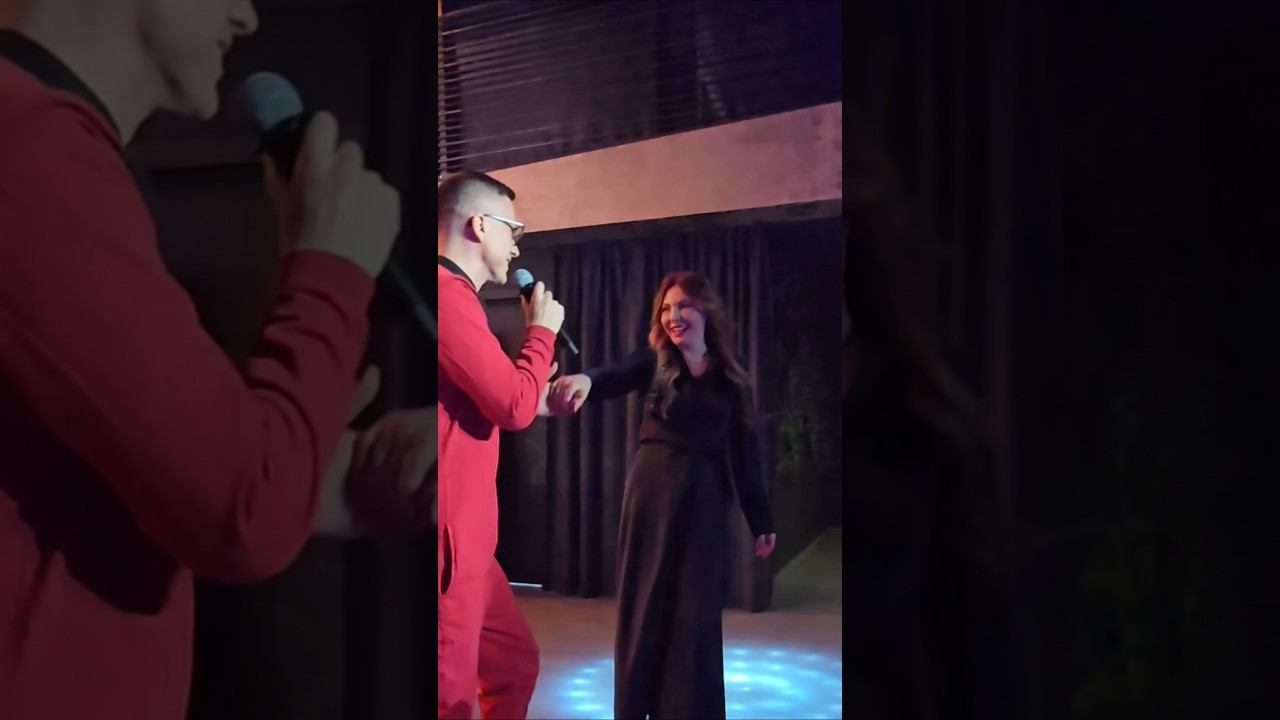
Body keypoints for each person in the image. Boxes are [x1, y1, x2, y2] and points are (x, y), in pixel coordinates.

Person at [0, 1, 402, 717]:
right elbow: (241, 515)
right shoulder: (27, 144)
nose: (247, 17)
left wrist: (354, 475)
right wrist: (330, 269)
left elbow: (148, 483)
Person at [548, 270, 777, 720]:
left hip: (704, 500)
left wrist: (761, 520)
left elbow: (744, 454)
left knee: (696, 611)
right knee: (646, 602)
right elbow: (614, 376)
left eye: (684, 305)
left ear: (706, 310)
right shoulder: (653, 362)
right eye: (667, 309)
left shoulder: (730, 380)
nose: (675, 316)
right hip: (653, 495)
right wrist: (587, 382)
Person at [435, 170, 563, 719]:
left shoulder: (459, 298)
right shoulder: (445, 296)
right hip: (448, 539)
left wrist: (542, 398)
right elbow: (510, 406)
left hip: (472, 542)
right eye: (513, 228)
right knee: (450, 697)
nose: (516, 244)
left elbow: (499, 398)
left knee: (512, 663)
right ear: (479, 225)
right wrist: (543, 331)